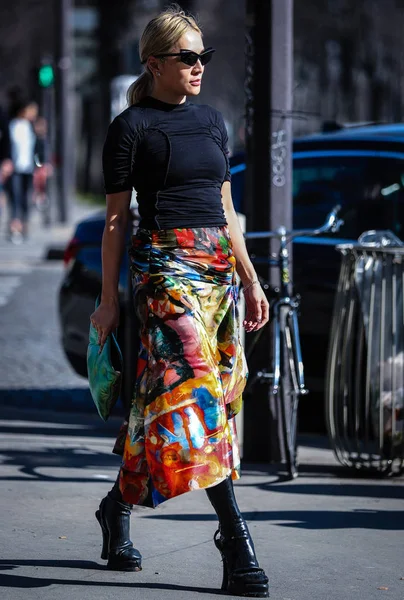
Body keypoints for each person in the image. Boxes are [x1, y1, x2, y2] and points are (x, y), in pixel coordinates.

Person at [90, 5, 270, 597]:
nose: (199, 67)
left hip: (216, 271)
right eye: (187, 58)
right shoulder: (132, 127)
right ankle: (235, 540)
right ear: (155, 63)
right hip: (163, 270)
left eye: (203, 57)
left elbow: (226, 211)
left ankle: (116, 510)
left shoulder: (215, 123)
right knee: (196, 397)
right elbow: (115, 223)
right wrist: (108, 302)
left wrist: (249, 276)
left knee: (196, 400)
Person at [7, 93, 38, 242]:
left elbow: (37, 148)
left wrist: (39, 165)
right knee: (15, 198)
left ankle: (25, 225)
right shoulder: (12, 125)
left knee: (26, 198)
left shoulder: (31, 127)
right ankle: (14, 227)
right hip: (15, 168)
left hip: (28, 168)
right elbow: (6, 146)